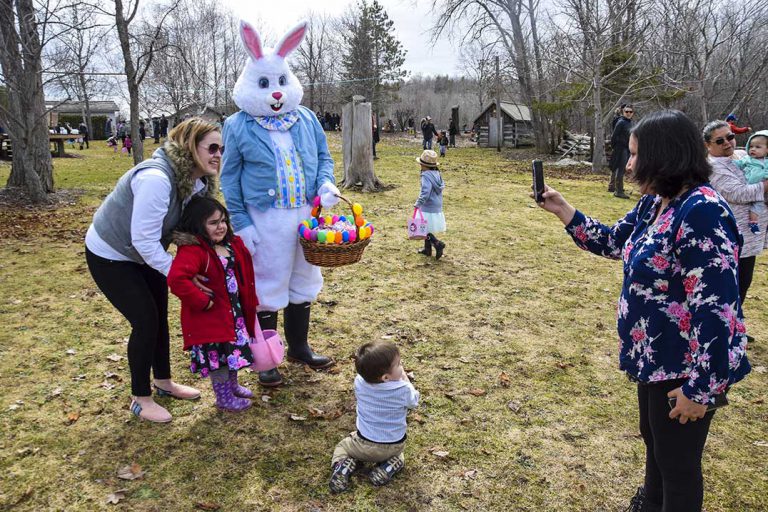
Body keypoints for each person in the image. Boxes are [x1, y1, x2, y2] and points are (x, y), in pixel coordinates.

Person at [536, 110, 751, 512]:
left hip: (687, 366)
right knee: (655, 441)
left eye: (636, 155)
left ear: (663, 156)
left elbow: (718, 308)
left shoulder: (702, 211)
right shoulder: (656, 202)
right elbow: (613, 241)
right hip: (655, 354)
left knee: (678, 466)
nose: (629, 163)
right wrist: (564, 209)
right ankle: (650, 504)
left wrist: (700, 389)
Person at [220, 20, 338, 388]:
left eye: (280, 83)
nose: (274, 93)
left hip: (305, 216)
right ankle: (266, 357)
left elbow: (323, 158)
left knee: (304, 279)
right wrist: (242, 223)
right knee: (268, 286)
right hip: (264, 219)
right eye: (264, 84)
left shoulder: (306, 118)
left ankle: (300, 345)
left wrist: (326, 185)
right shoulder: (237, 125)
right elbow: (229, 177)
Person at [84, 117, 221, 423]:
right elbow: (143, 240)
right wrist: (179, 273)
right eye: (211, 147)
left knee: (159, 314)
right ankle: (139, 397)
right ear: (190, 147)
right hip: (111, 253)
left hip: (144, 253)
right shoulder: (156, 179)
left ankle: (163, 382)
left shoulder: (195, 183)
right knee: (145, 319)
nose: (218, 155)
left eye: (221, 149)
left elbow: (187, 230)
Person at [167, 197, 258, 412]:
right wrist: (203, 302)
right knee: (221, 359)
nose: (221, 227)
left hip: (233, 312)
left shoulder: (230, 244)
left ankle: (233, 386)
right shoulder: (194, 250)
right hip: (212, 317)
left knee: (233, 352)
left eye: (223, 220)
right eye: (213, 222)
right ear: (198, 224)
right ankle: (223, 397)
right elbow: (176, 279)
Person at [329, 341, 420, 493]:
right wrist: (406, 379)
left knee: (342, 447)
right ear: (385, 377)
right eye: (398, 364)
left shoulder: (359, 382)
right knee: (400, 455)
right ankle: (390, 465)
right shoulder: (403, 389)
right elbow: (414, 402)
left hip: (363, 444)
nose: (402, 366)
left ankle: (343, 464)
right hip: (394, 445)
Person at [705, 120, 768, 313]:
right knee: (733, 285)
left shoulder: (740, 155)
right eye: (719, 140)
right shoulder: (714, 167)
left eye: (730, 137)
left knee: (743, 283)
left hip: (750, 235)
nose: (727, 142)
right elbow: (739, 193)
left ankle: (733, 325)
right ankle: (726, 329)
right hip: (733, 235)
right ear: (708, 145)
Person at [733, 130, 768, 234]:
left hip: (764, 189)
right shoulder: (747, 159)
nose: (753, 149)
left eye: (758, 147)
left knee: (761, 206)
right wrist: (730, 162)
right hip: (751, 187)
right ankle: (753, 222)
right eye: (751, 146)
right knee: (757, 205)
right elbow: (738, 164)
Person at [414, 149, 446, 259]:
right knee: (426, 228)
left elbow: (425, 192)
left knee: (424, 228)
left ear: (424, 165)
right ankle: (427, 249)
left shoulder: (426, 176)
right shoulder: (437, 174)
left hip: (428, 206)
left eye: (421, 164)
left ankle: (437, 244)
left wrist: (418, 203)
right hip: (436, 205)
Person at [608, 103, 634, 198]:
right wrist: (616, 146)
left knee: (622, 169)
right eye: (626, 111)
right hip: (621, 148)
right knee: (620, 169)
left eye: (630, 112)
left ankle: (618, 189)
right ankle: (618, 191)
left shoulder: (629, 122)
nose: (628, 113)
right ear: (623, 112)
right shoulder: (621, 122)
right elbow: (614, 136)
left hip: (626, 148)